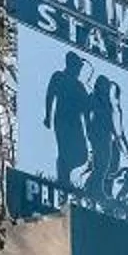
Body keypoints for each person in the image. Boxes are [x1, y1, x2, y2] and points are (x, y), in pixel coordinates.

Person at [42, 52, 94, 191]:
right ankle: (63, 180)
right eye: (78, 67)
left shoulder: (80, 86)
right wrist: (48, 116)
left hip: (76, 123)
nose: (79, 71)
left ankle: (64, 175)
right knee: (64, 150)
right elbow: (50, 95)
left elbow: (86, 110)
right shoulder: (59, 77)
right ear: (71, 65)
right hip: (62, 120)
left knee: (82, 155)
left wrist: (89, 128)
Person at [87, 76, 127, 201]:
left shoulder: (107, 102)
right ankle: (93, 188)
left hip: (107, 135)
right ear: (100, 85)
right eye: (105, 85)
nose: (107, 88)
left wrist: (116, 136)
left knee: (105, 163)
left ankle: (94, 188)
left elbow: (110, 121)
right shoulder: (93, 98)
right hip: (97, 133)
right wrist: (89, 128)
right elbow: (87, 113)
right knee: (100, 163)